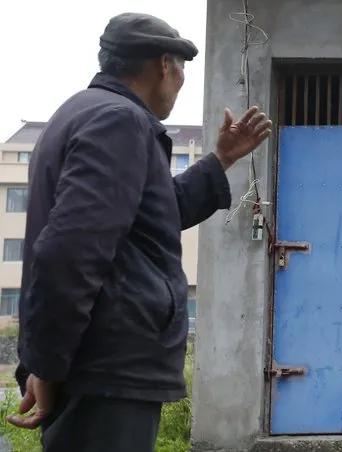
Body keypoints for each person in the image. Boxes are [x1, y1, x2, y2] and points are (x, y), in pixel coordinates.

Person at [7, 12, 271, 452]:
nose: (181, 79)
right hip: (107, 372)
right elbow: (70, 252)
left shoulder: (79, 113)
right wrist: (47, 368)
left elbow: (146, 219)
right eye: (182, 67)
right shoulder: (119, 121)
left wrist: (220, 159)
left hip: (97, 370)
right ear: (164, 65)